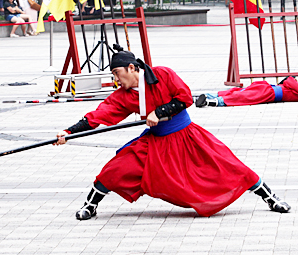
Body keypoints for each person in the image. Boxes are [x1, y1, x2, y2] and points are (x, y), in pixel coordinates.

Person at [54, 47, 290, 220]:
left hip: (187, 136)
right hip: (155, 143)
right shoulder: (124, 96)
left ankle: (271, 199)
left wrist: (160, 111)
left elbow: (184, 97)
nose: (116, 79)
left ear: (132, 68)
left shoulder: (162, 75)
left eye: (117, 73)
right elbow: (99, 115)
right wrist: (68, 132)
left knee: (228, 165)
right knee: (117, 168)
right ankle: (90, 206)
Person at [195, 77, 298, 107]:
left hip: (270, 93)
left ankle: (212, 101)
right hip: (268, 88)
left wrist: (291, 79)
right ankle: (208, 96)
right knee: (238, 91)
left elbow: (288, 81)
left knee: (241, 96)